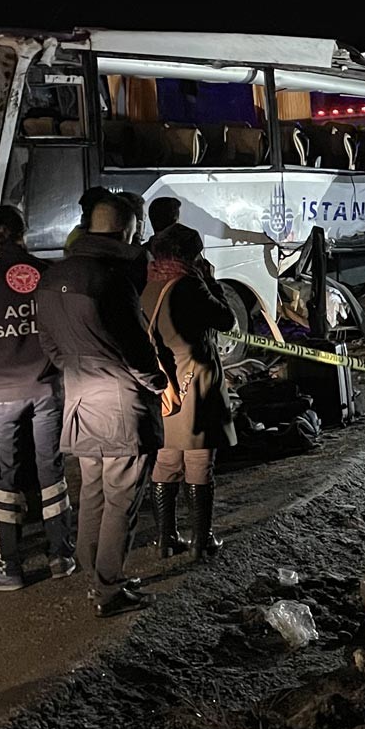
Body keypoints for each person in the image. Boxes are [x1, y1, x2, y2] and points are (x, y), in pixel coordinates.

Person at [35, 195, 166, 617]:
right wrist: (158, 381)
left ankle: (92, 573)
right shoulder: (113, 280)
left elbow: (49, 345)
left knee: (91, 493)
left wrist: (75, 367)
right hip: (123, 405)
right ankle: (108, 588)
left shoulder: (52, 275)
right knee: (121, 500)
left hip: (79, 400)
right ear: (127, 231)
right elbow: (136, 349)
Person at [0, 206, 75, 591]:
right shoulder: (48, 271)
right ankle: (61, 556)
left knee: (2, 483)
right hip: (46, 388)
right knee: (51, 474)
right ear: (24, 232)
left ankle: (10, 569)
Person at [140, 224, 238, 561]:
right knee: (198, 460)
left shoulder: (149, 282)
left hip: (163, 384)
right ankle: (201, 539)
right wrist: (211, 282)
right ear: (189, 254)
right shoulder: (190, 284)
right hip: (195, 379)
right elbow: (226, 320)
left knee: (166, 458)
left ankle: (166, 538)